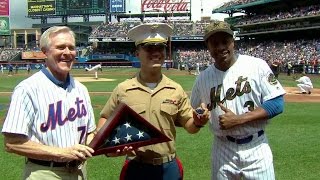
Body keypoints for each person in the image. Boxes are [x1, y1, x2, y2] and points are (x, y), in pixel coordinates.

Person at [98, 23, 209, 180]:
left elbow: (190, 125)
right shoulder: (123, 89)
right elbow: (105, 118)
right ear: (137, 53)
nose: (156, 52)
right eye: (149, 48)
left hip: (168, 168)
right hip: (136, 167)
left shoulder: (175, 89)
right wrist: (107, 144)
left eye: (160, 48)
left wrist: (198, 121)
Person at [190, 21, 286, 180]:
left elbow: (277, 104)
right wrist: (198, 117)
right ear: (208, 47)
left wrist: (239, 119)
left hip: (257, 146)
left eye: (225, 41)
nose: (220, 47)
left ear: (233, 41)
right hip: (222, 147)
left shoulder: (256, 66)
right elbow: (193, 111)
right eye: (214, 43)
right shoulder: (203, 78)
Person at [1, 26, 96, 180]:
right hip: (44, 172)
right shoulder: (28, 89)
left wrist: (106, 145)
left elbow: (91, 133)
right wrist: (61, 152)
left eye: (71, 47)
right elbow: (12, 143)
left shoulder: (81, 89)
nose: (67, 52)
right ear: (45, 51)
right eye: (60, 47)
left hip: (79, 172)